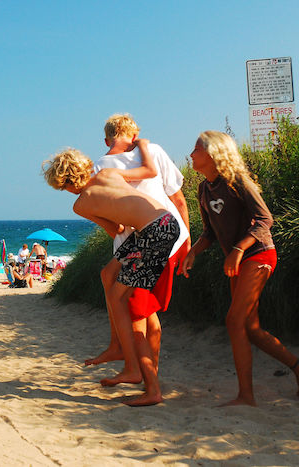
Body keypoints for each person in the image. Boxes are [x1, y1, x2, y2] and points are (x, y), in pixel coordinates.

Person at [181, 131, 299, 406]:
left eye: (196, 149)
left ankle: (246, 396)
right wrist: (193, 252)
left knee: (233, 320)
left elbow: (265, 218)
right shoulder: (204, 189)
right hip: (237, 259)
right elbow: (208, 232)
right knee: (251, 328)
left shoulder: (237, 182)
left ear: (213, 153)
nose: (191, 154)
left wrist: (239, 250)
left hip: (259, 253)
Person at [43, 148, 180, 406]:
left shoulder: (80, 203)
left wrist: (118, 217)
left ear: (66, 183)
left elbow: (115, 229)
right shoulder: (109, 172)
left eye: (63, 187)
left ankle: (138, 372)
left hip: (152, 233)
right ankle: (123, 353)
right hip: (164, 222)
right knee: (108, 273)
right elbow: (149, 171)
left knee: (120, 300)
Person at [86, 114, 191, 377]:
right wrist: (187, 239)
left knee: (136, 312)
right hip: (171, 237)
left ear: (106, 139)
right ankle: (146, 375)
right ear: (134, 135)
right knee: (146, 311)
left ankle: (143, 376)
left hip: (139, 244)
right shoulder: (152, 150)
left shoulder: (99, 167)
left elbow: (113, 222)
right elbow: (177, 197)